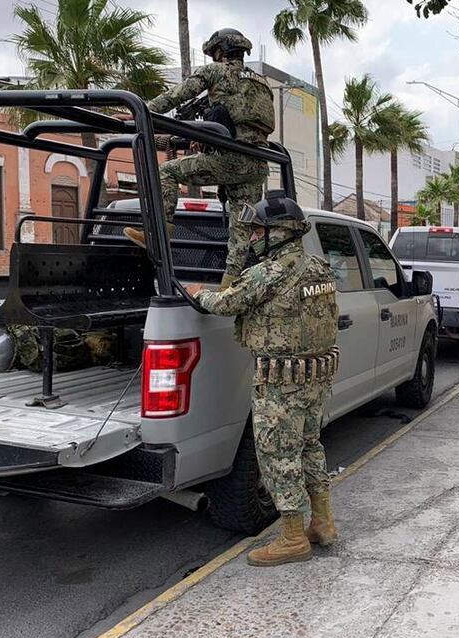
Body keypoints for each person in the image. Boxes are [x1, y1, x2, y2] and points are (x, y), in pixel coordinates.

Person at [185, 192, 340, 567]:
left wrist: (197, 293)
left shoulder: (269, 273)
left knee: (277, 454)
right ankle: (322, 522)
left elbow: (226, 304)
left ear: (279, 233)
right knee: (309, 446)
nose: (253, 239)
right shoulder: (319, 268)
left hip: (281, 380)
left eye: (257, 232)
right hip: (315, 375)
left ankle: (291, 538)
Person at [125, 28, 275, 288]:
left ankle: (160, 232)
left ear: (220, 51)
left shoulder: (216, 71)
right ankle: (230, 284)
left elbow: (175, 95)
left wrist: (140, 112)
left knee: (168, 172)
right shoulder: (263, 84)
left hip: (229, 159)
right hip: (257, 165)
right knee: (241, 229)